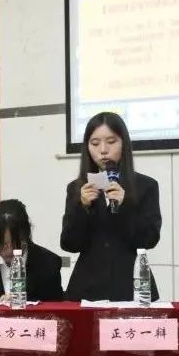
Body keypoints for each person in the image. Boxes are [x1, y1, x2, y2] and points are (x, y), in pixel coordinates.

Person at [60, 112, 161, 301]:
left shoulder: (145, 186)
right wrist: (82, 208)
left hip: (131, 287)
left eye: (111, 142)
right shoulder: (77, 188)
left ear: (124, 144)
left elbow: (149, 240)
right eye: (95, 143)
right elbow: (69, 244)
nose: (103, 150)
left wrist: (126, 207)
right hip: (86, 290)